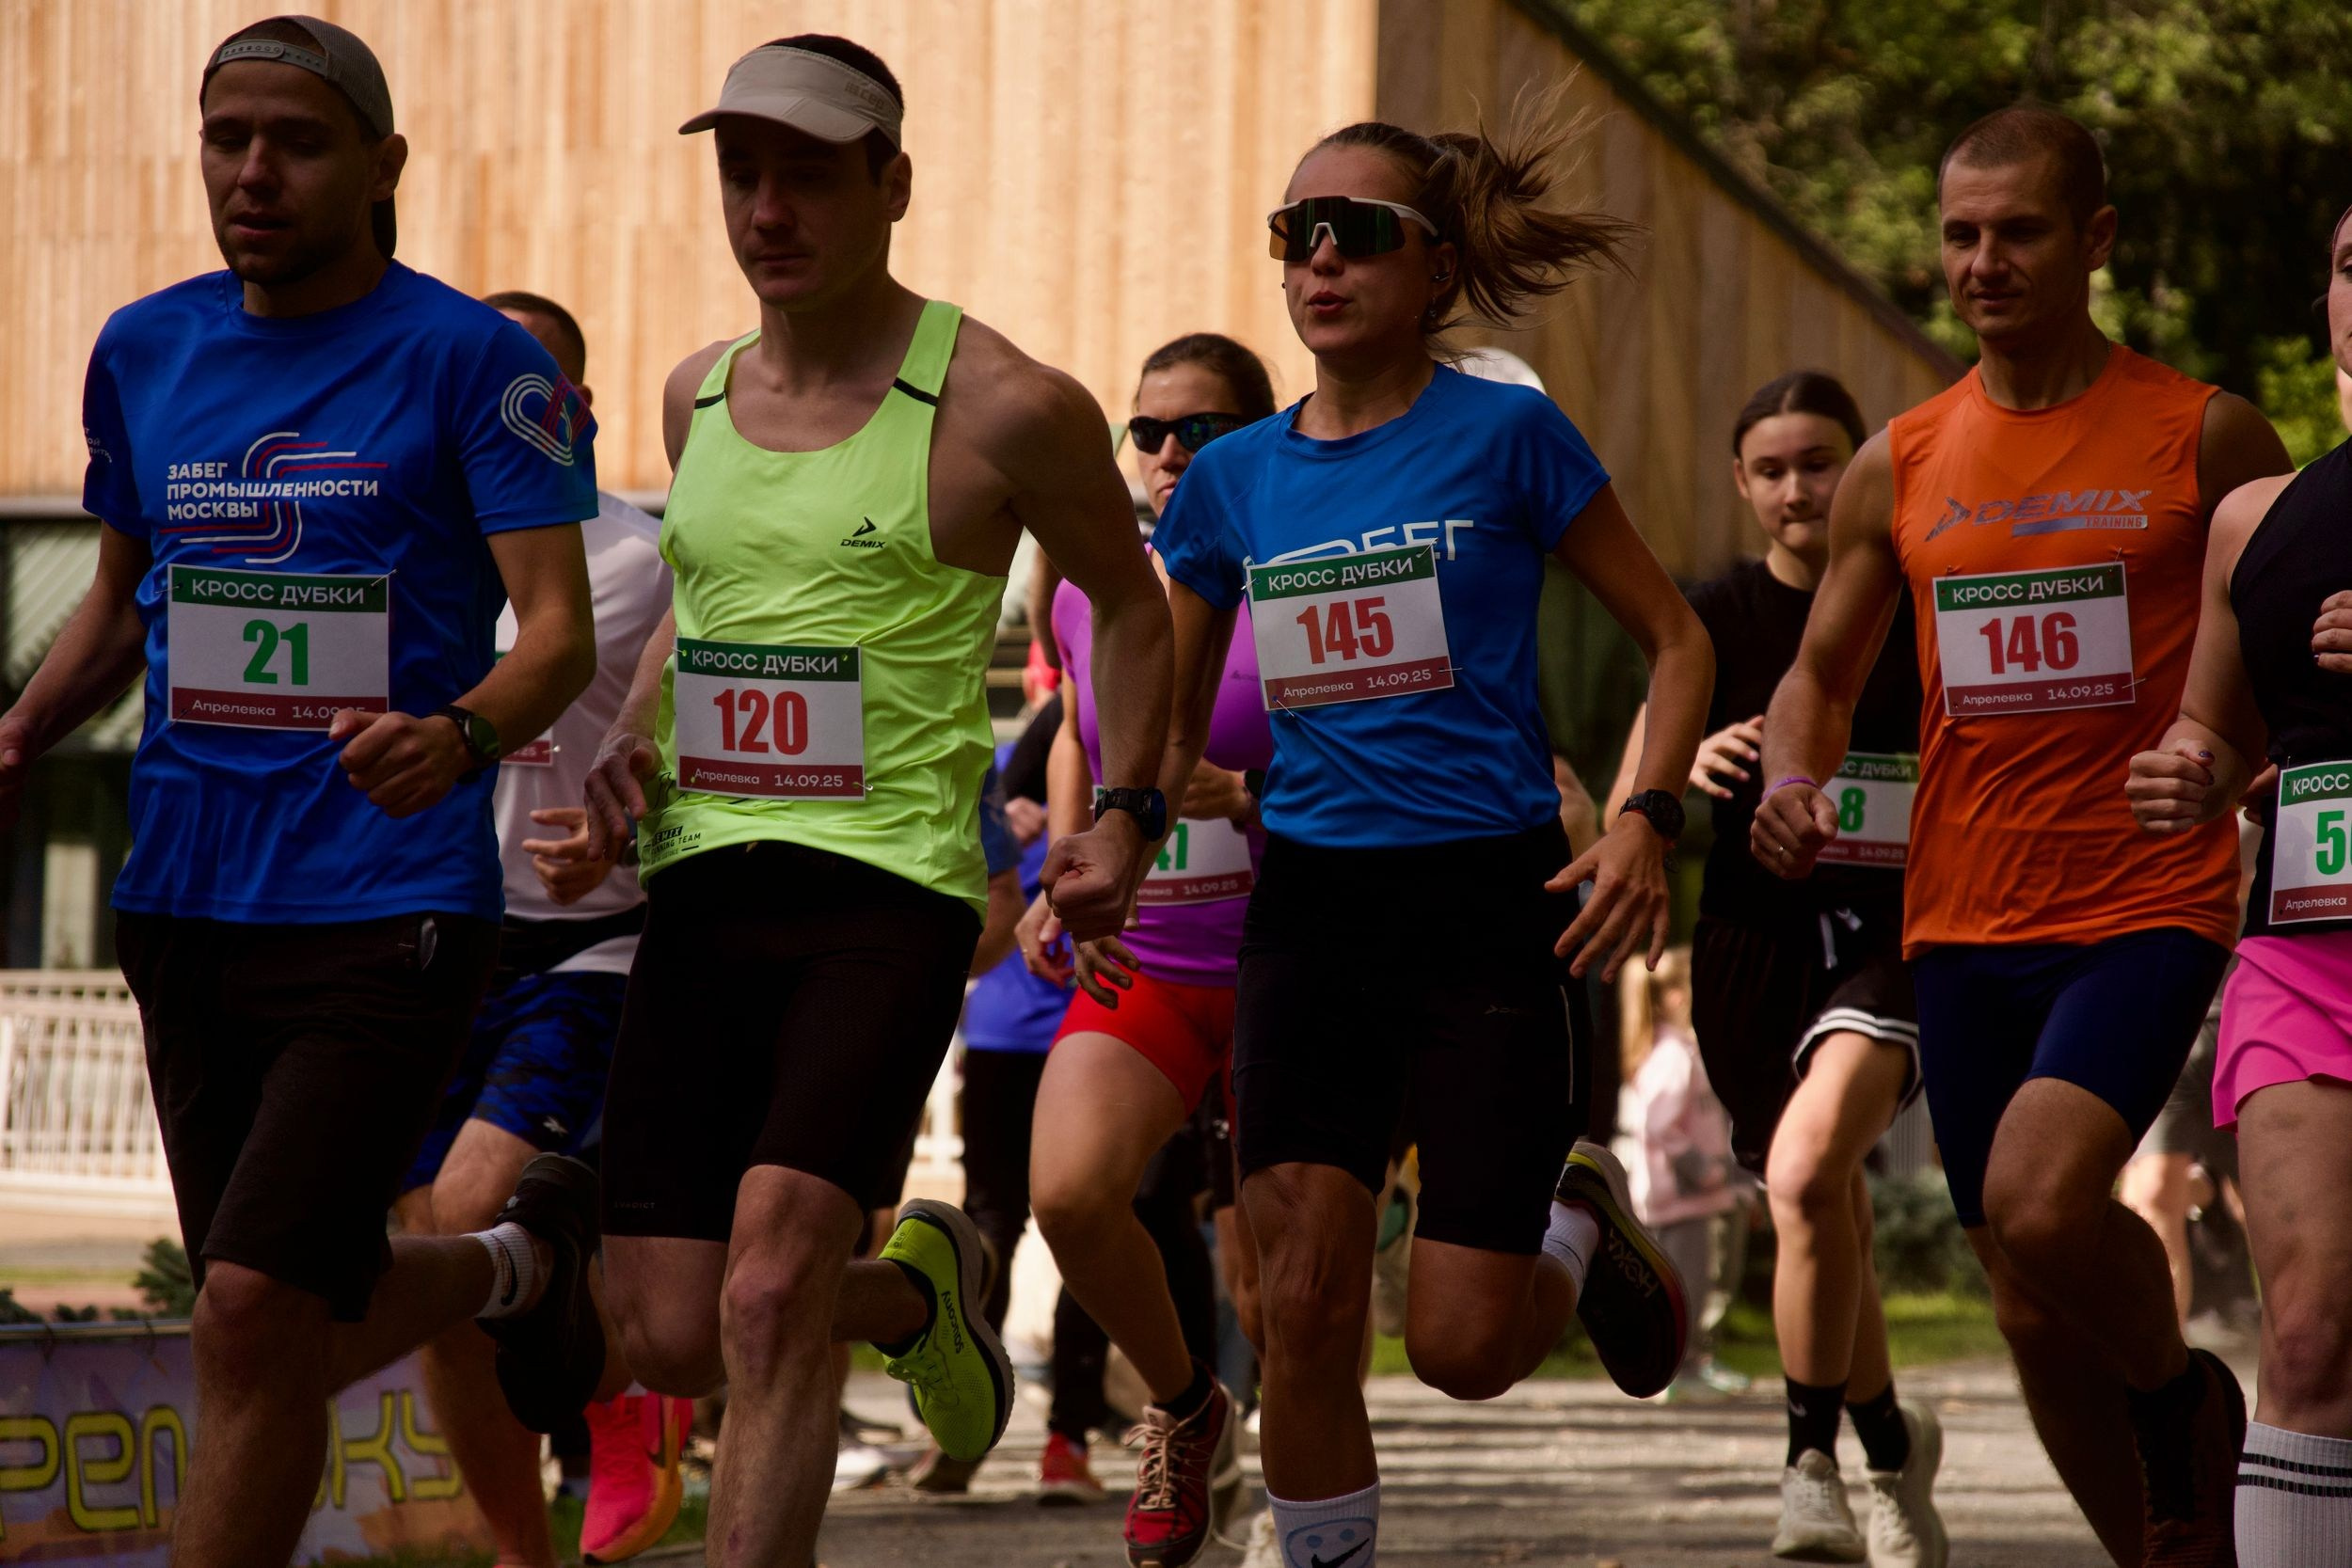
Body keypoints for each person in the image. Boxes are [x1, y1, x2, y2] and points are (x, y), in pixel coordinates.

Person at [3, 18, 606, 1566]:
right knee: (267, 1323)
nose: (254, 171)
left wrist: (461, 733)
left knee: (257, 1308)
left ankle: (510, 1270)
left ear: (383, 165)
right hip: (183, 894)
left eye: (299, 141)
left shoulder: (475, 359)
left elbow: (556, 632)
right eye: (229, 138)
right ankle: (518, 1269)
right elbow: (121, 604)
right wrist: (17, 734)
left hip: (383, 898)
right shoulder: (146, 347)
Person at [573, 36, 1173, 1567]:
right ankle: (925, 1288)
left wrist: (1127, 812)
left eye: (810, 173)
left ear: (891, 184)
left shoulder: (1007, 404)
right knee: (664, 1325)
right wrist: (630, 743)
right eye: (742, 173)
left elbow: (1139, 604)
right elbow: (706, 612)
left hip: (886, 894)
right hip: (701, 885)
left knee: (769, 1288)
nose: (768, 207)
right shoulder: (693, 393)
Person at [1132, 103, 1713, 1568]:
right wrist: (1118, 835)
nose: (1320, 261)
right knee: (1304, 1303)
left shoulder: (1508, 434)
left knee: (1459, 1345)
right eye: (1295, 235)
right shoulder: (1232, 480)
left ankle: (1578, 1215)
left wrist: (1646, 815)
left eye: (1359, 233)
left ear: (1435, 267)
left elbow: (1676, 637)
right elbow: (1170, 718)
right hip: (1314, 909)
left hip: (1486, 907)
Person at [1751, 106, 2293, 1566]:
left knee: (2040, 1203)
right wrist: (1791, 782)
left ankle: (2187, 1397)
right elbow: (1817, 670)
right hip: (1963, 914)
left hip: (2145, 895)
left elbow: (2288, 656)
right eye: (1961, 235)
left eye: (2020, 231)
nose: (1983, 262)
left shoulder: (2208, 431)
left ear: (2096, 241)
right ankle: (2162, 1547)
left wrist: (2226, 760)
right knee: (2021, 1293)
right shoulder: (1905, 456)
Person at [1615, 369, 1943, 1566]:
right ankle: (1895, 1455)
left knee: (1808, 1175)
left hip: (1896, 935)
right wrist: (1686, 763)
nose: (1799, 488)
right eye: (1772, 468)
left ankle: (1808, 1466)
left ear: (1867, 470)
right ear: (1740, 484)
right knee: (1821, 1206)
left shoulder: (1921, 605)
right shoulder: (1706, 620)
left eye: (1822, 461)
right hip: (1753, 950)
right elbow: (1626, 800)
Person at [390, 291, 689, 1568]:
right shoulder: (397, 541)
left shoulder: (636, 557)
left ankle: (631, 1388)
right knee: (424, 1257)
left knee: (469, 1212)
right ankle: (523, 1548)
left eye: (534, 386)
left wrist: (637, 818)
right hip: (434, 931)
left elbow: (685, 737)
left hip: (596, 943)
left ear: (580, 413)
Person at [1015, 331, 1278, 1564]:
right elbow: (1074, 717)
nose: (1173, 453)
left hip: (1290, 957)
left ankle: (1299, 1485)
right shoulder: (1089, 580)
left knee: (1281, 1278)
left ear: (1261, 434)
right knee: (1067, 1190)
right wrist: (1065, 862)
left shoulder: (1300, 572)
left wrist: (1257, 794)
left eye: (1205, 428)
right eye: (1153, 430)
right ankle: (1184, 1403)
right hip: (1150, 960)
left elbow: (1388, 749)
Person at [2126, 201, 2352, 1567]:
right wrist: (2190, 768)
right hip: (2307, 953)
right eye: (2347, 265)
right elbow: (2215, 732)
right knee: (2312, 1322)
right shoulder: (2257, 519)